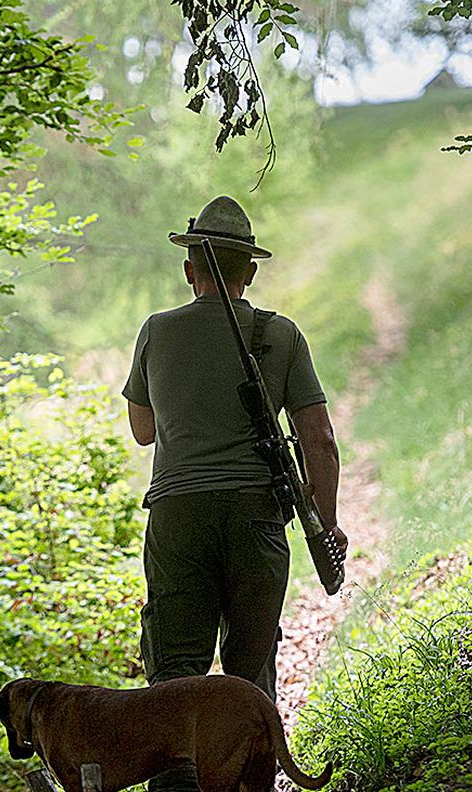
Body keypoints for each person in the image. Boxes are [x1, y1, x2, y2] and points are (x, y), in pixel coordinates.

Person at [121, 195, 347, 792]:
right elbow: (318, 437)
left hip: (177, 517)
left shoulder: (156, 332)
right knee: (250, 677)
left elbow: (143, 431)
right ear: (248, 271)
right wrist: (326, 523)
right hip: (255, 516)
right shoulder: (280, 335)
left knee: (173, 677)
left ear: (189, 268)